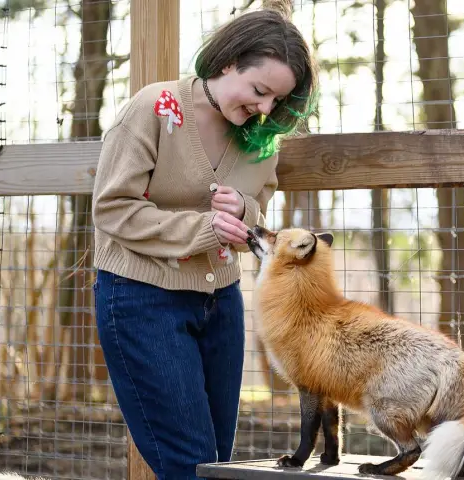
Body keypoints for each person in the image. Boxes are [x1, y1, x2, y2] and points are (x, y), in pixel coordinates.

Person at [90, 8, 318, 480]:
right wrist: (203, 230)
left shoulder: (263, 138)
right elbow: (113, 208)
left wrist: (244, 212)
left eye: (278, 99)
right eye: (260, 91)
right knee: (192, 464)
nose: (267, 109)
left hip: (222, 303)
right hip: (141, 297)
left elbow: (258, 206)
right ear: (227, 62)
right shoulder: (154, 108)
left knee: (219, 462)